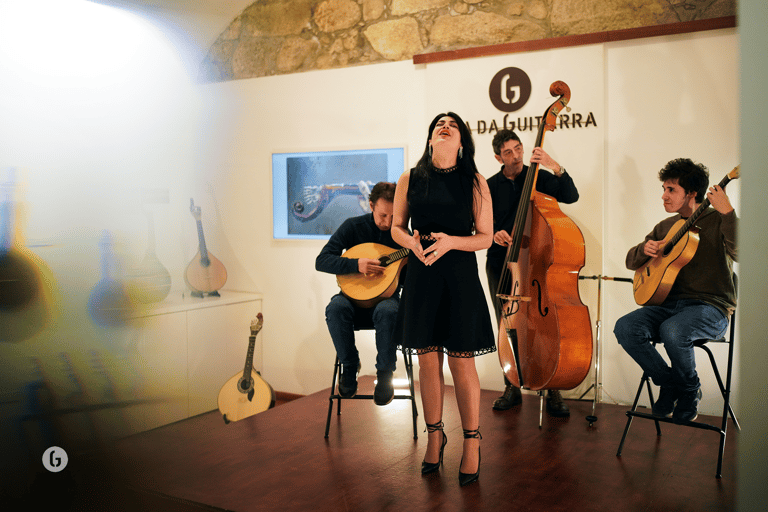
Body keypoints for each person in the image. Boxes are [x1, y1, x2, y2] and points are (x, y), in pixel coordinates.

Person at [391, 112, 495, 486]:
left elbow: (485, 237)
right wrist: (412, 243)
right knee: (427, 361)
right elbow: (396, 227)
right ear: (431, 138)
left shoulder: (476, 182)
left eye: (452, 124)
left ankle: (472, 441)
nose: (444, 125)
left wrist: (451, 241)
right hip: (422, 273)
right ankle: (435, 435)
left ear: (461, 141)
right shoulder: (410, 178)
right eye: (438, 123)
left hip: (459, 277)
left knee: (461, 362)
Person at [614, 158, 737, 422]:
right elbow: (631, 262)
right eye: (664, 188)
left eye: (671, 190)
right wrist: (642, 250)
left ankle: (690, 389)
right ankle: (668, 382)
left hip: (710, 308)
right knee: (625, 328)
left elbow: (741, 252)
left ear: (692, 194)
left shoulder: (718, 220)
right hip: (668, 307)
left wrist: (728, 213)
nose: (664, 196)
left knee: (674, 331)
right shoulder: (665, 227)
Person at [485, 129, 580, 416]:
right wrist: (492, 235)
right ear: (497, 157)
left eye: (518, 149)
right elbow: (474, 224)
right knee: (506, 322)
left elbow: (571, 196)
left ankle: (552, 387)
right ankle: (511, 385)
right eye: (508, 152)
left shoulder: (538, 176)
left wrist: (554, 165)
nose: (515, 156)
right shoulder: (488, 186)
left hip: (537, 260)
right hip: (501, 261)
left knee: (545, 323)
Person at [315, 182, 401, 406]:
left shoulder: (402, 235)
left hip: (386, 301)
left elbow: (412, 277)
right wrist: (356, 265)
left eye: (393, 216)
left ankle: (384, 375)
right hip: (352, 299)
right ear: (370, 205)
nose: (388, 222)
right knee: (335, 308)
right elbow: (322, 261)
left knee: (389, 310)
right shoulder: (353, 227)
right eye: (383, 215)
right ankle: (350, 366)